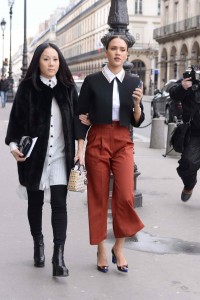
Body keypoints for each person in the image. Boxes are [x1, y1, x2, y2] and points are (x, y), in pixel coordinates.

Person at [5, 42, 88, 277]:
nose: (51, 63)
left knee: (60, 205)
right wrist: (13, 146)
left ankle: (58, 256)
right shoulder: (27, 88)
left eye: (55, 59)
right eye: (46, 59)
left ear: (60, 62)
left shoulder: (68, 88)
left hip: (62, 157)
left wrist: (81, 148)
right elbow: (16, 121)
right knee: (35, 204)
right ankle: (38, 243)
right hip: (34, 158)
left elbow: (78, 121)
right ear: (38, 62)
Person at [75, 35, 145, 273]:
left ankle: (119, 246)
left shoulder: (134, 81)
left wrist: (137, 104)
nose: (117, 52)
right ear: (105, 52)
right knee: (98, 196)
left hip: (123, 139)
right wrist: (80, 150)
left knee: (125, 195)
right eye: (113, 48)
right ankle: (102, 249)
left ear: (127, 54)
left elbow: (138, 119)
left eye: (122, 49)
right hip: (98, 139)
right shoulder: (92, 81)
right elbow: (81, 115)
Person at [169, 73, 200, 202]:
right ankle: (189, 184)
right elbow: (173, 93)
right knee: (187, 162)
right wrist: (182, 87)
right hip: (194, 132)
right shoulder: (191, 79)